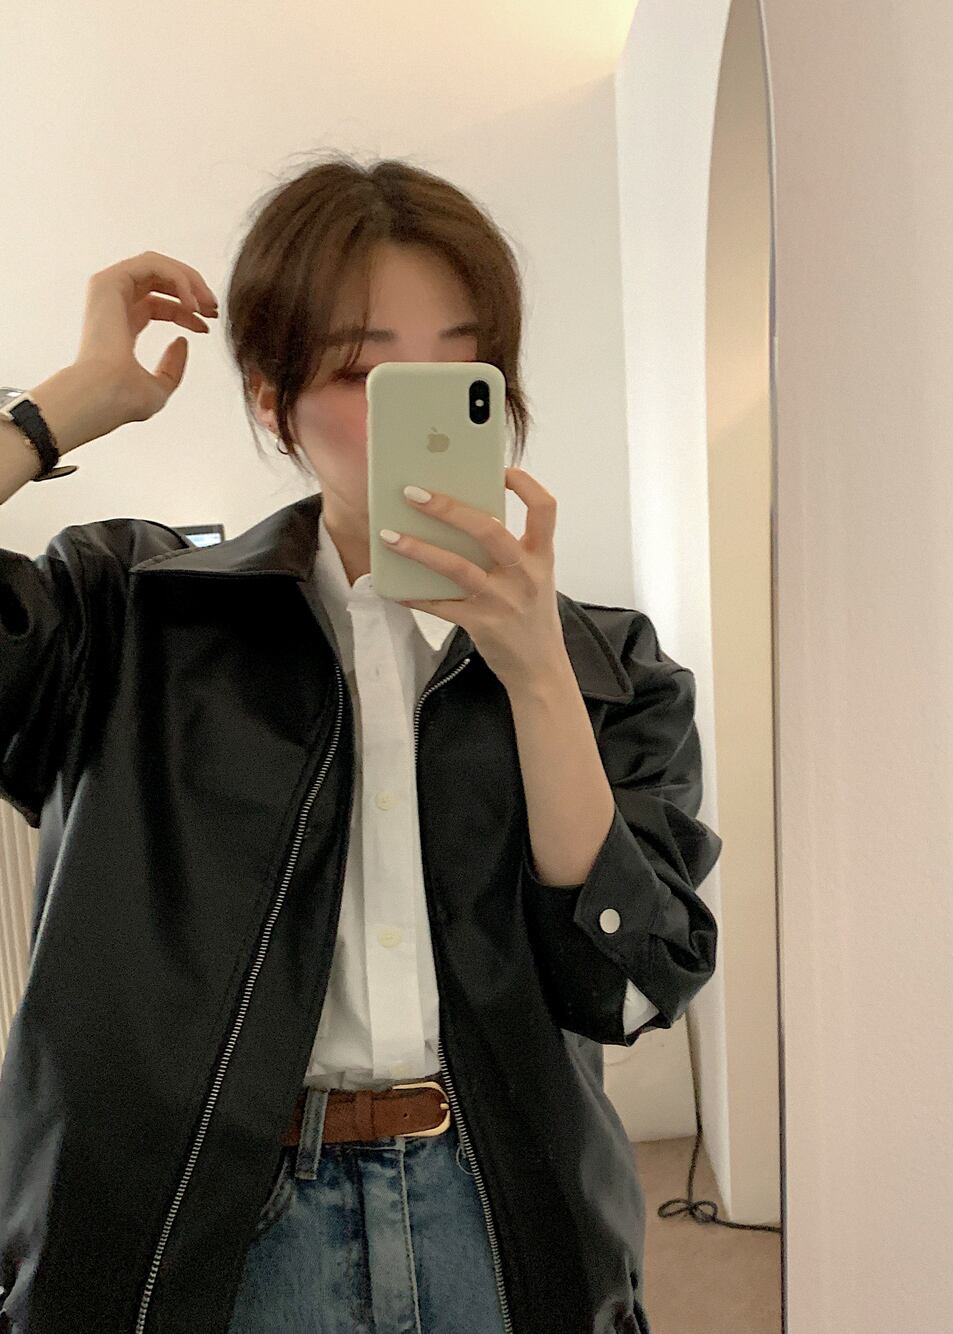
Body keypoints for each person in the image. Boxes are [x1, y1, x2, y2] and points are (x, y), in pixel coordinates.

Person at [0, 154, 722, 1333]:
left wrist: (537, 673)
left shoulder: (609, 666)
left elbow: (631, 985)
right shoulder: (131, 613)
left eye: (458, 367)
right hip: (208, 1233)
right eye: (362, 369)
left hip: (494, 1223)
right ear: (270, 394)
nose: (412, 409)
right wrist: (61, 406)